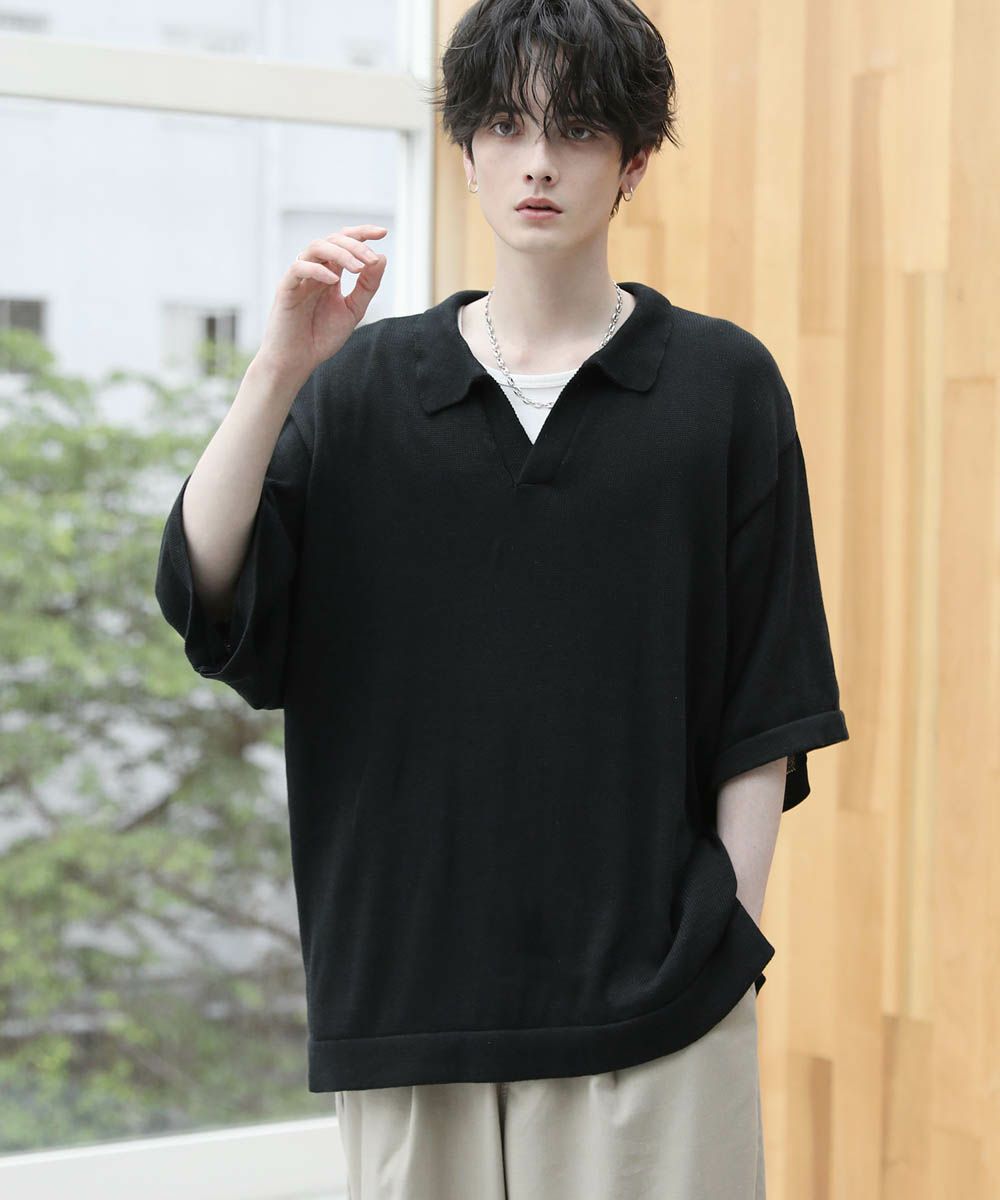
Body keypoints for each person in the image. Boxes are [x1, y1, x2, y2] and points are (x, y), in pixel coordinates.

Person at [154, 1, 849, 1196]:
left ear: (632, 162)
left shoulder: (721, 387)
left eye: (577, 130)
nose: (538, 162)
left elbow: (766, 690)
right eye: (509, 127)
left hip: (657, 1008)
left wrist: (724, 937)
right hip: (405, 1002)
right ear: (465, 152)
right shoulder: (359, 389)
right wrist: (277, 369)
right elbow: (207, 591)